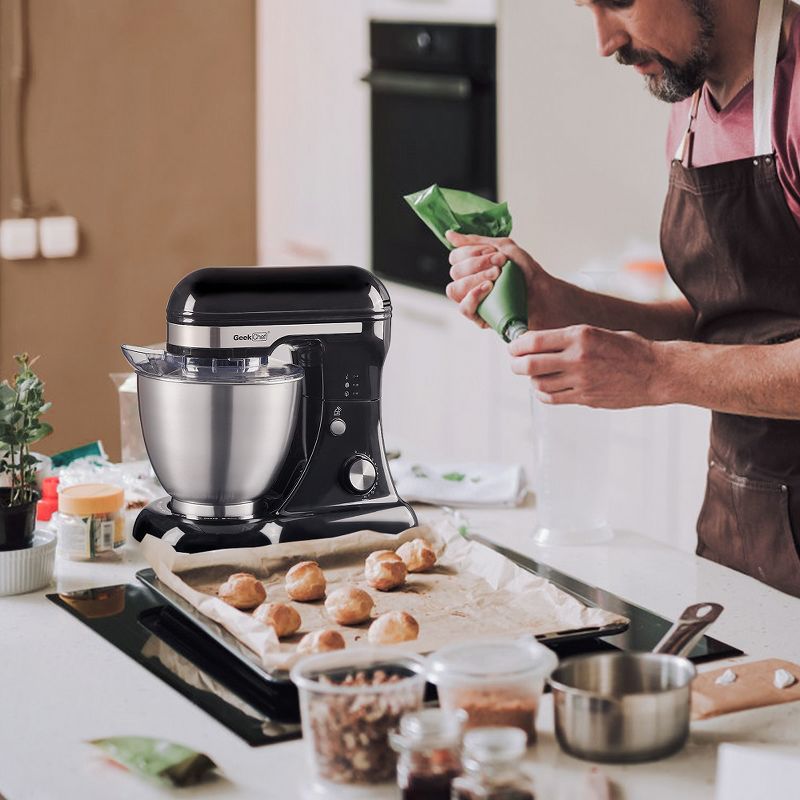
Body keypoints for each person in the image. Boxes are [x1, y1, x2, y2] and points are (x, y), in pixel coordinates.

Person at [445, 0, 800, 597]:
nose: (605, 41)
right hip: (740, 533)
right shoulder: (691, 106)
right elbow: (726, 316)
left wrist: (656, 372)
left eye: (617, 2)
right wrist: (559, 301)